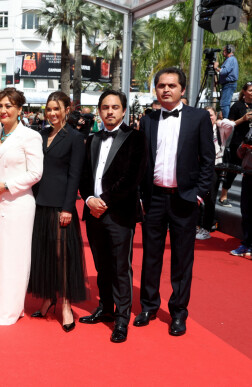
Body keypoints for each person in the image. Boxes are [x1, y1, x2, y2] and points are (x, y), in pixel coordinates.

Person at [135, 68, 214, 336]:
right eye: (161, 85)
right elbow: (142, 161)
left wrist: (199, 195)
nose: (166, 89)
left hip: (185, 199)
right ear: (155, 89)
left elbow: (207, 160)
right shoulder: (148, 120)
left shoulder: (199, 118)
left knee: (182, 259)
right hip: (155, 198)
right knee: (150, 256)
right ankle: (148, 306)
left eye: (171, 85)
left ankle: (179, 312)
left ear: (182, 89)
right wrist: (142, 196)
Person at [78, 90, 147, 343]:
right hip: (93, 210)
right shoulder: (93, 139)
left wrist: (103, 201)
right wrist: (88, 200)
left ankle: (122, 319)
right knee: (101, 265)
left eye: (115, 107)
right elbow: (84, 176)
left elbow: (132, 178)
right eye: (105, 107)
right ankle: (106, 308)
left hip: (119, 212)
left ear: (123, 110)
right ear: (99, 110)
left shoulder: (136, 138)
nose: (109, 111)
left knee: (120, 267)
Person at [0, 87, 44, 325]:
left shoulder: (30, 136)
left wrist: (5, 186)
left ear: (19, 109)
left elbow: (36, 172)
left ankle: (11, 308)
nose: (3, 110)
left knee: (15, 257)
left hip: (18, 203)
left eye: (8, 106)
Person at [27, 91, 86, 332]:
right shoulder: (39, 136)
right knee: (44, 252)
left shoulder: (75, 138)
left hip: (61, 206)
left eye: (56, 109)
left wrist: (68, 208)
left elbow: (75, 176)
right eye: (48, 109)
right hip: (39, 202)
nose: (52, 113)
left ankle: (65, 304)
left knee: (63, 256)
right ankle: (48, 297)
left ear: (66, 110)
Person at [219, 82, 252, 207]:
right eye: (250, 90)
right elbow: (229, 125)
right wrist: (243, 119)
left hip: (251, 144)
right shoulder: (237, 106)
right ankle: (223, 196)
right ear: (244, 92)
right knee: (233, 170)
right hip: (238, 143)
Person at [196, 106, 226, 240]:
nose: (208, 118)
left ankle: (206, 228)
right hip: (198, 167)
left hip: (215, 168)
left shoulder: (221, 130)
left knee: (210, 199)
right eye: (205, 115)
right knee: (196, 197)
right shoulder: (198, 130)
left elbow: (230, 124)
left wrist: (219, 121)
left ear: (216, 116)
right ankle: (196, 225)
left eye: (211, 115)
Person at [214, 44, 239, 120]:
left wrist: (216, 67)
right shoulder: (230, 59)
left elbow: (224, 71)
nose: (223, 52)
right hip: (227, 84)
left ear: (229, 51)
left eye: (224, 50)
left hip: (229, 84)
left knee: (224, 104)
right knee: (224, 103)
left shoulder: (230, 59)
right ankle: (226, 119)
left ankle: (226, 121)